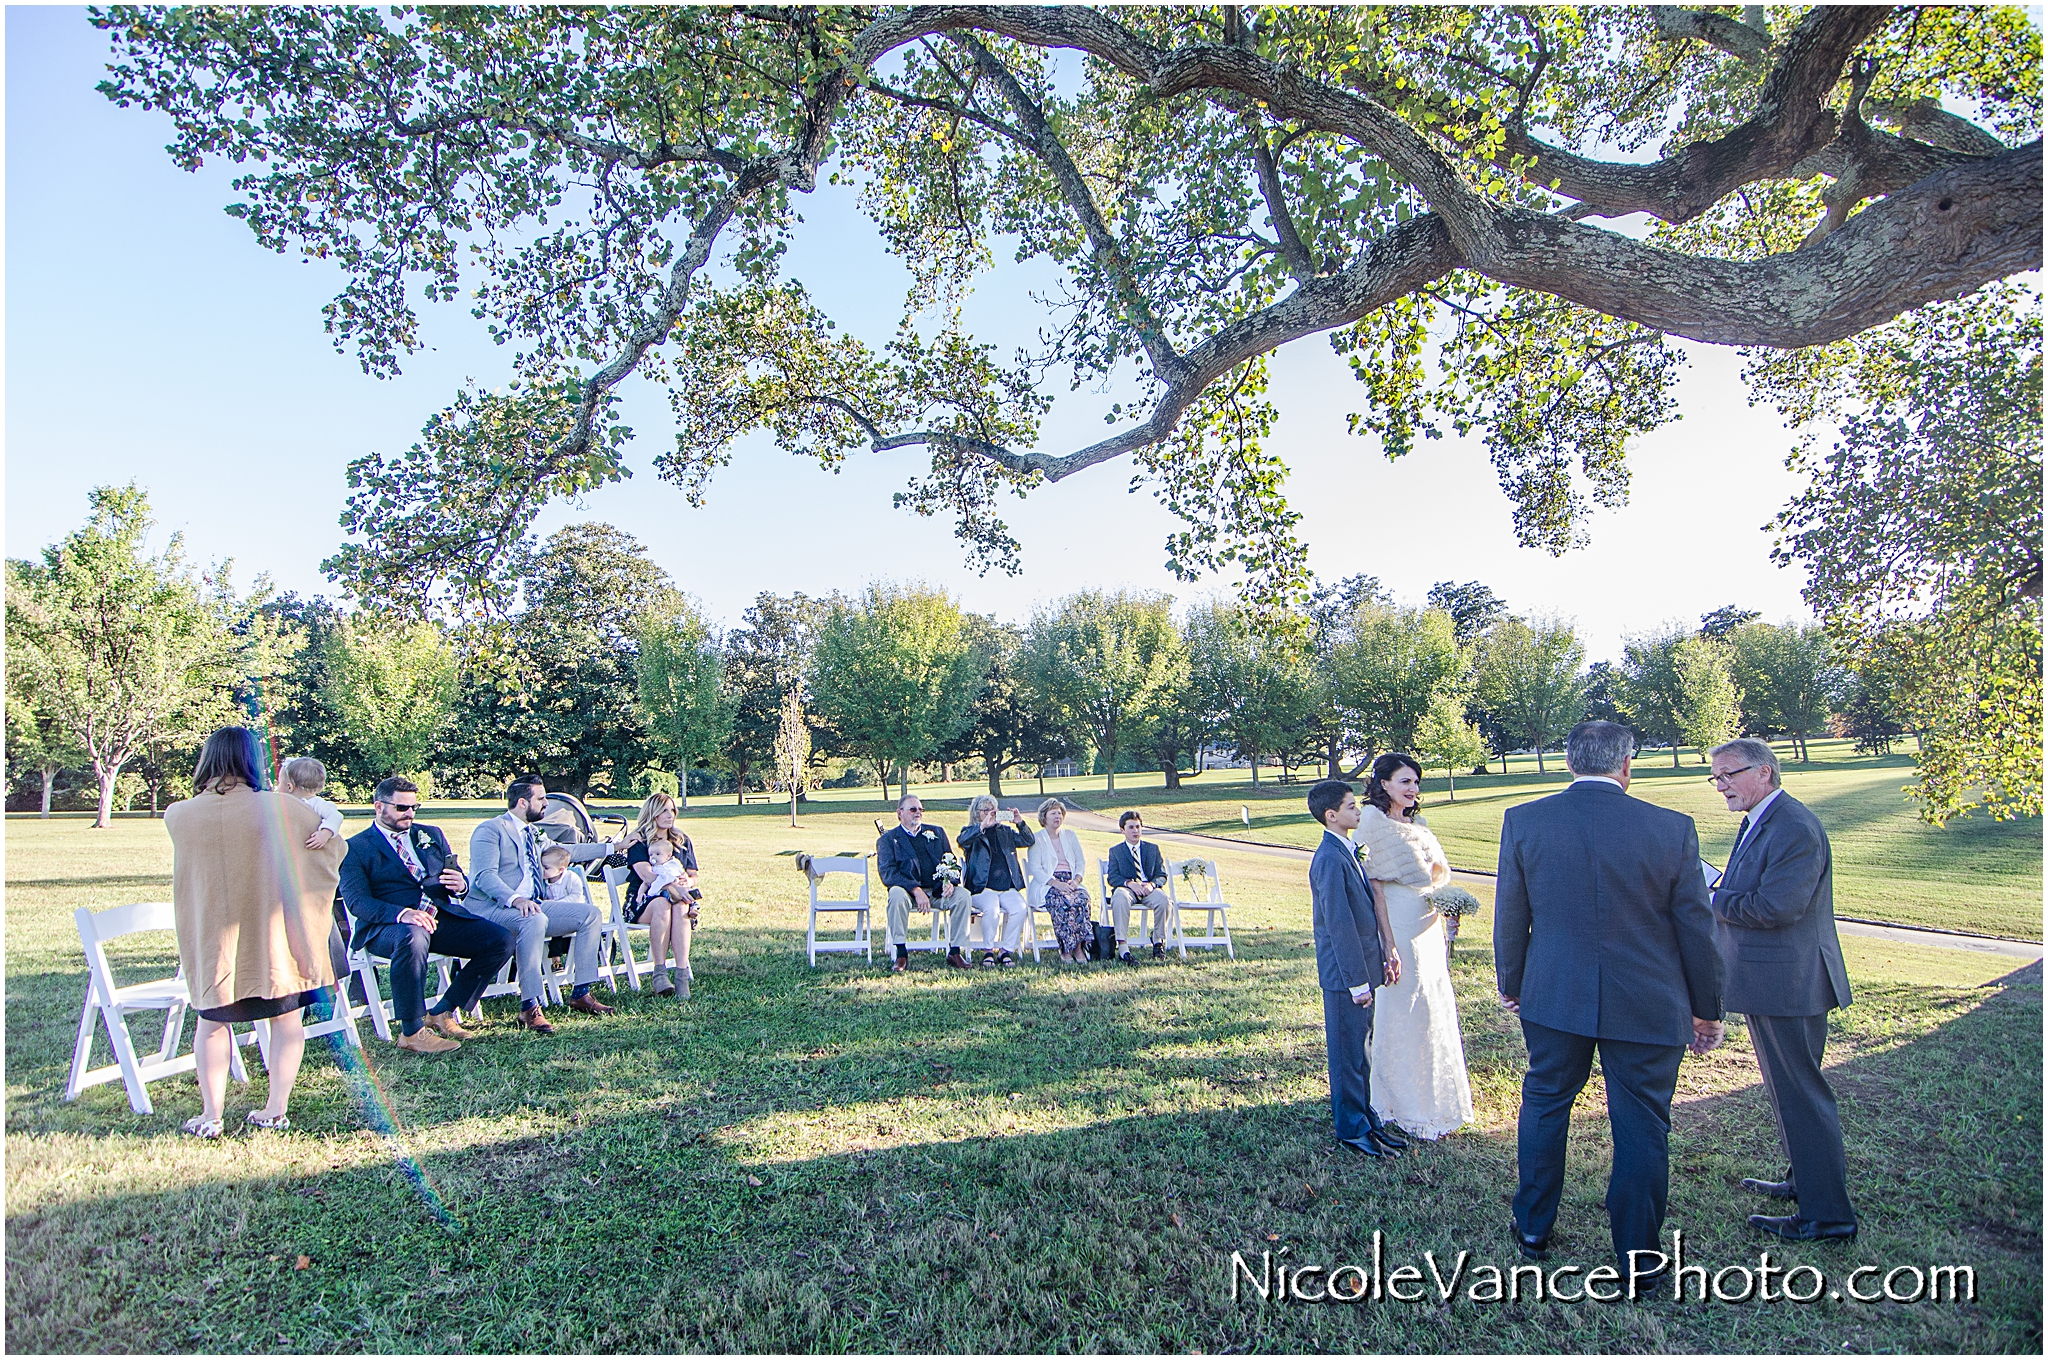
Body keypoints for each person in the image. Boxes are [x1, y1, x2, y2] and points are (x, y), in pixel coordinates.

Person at [1495, 720, 1725, 1284]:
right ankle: (1639, 1259)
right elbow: (1696, 928)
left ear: (1571, 763)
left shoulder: (1525, 821)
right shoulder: (1672, 828)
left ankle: (1533, 1226)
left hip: (1554, 993)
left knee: (1547, 1102)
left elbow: (1511, 913)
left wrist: (1514, 982)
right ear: (1626, 765)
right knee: (1642, 1123)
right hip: (1648, 997)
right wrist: (1708, 1007)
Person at [1708, 737, 1858, 1243]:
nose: (1721, 785)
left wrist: (1710, 896)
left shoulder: (1793, 827)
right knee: (1787, 1090)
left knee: (1801, 1094)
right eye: (1716, 777)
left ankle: (1828, 1217)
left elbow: (1777, 908)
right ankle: (1806, 1183)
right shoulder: (1762, 819)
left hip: (1790, 982)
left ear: (1766, 772)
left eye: (1730, 774)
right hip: (1769, 980)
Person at [165, 727, 349, 1138]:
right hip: (275, 942)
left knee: (212, 1023)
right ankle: (275, 1108)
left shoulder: (178, 815)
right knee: (285, 1020)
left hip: (215, 942)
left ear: (207, 761)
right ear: (256, 761)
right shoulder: (284, 808)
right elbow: (334, 848)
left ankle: (211, 1116)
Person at [339, 777, 511, 1055]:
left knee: (499, 939)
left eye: (414, 807)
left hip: (438, 916)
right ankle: (411, 1031)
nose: (409, 814)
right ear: (378, 807)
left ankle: (442, 1011)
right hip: (387, 927)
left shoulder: (431, 834)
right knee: (414, 936)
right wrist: (403, 913)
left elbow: (452, 877)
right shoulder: (356, 847)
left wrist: (461, 884)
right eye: (401, 808)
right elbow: (358, 902)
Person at [1356, 752, 1475, 1141]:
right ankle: (1397, 1099)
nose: (1413, 789)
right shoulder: (1372, 824)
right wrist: (1388, 944)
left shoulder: (1419, 825)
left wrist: (1450, 909)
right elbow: (1375, 888)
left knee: (1431, 1004)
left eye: (1416, 782)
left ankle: (1433, 1093)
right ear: (1384, 784)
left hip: (1428, 929)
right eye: (1405, 781)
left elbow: (1436, 879)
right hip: (1399, 927)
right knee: (1403, 1004)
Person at [462, 775, 617, 1032]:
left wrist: (612, 848)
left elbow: (566, 852)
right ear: (523, 802)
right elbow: (483, 876)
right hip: (492, 909)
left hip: (531, 906)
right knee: (534, 919)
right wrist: (516, 899)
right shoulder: (490, 830)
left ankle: (581, 993)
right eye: (541, 798)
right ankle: (529, 1006)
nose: (546, 803)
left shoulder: (534, 832)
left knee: (589, 914)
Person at [1307, 779, 1404, 1159]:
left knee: (1362, 1053)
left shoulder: (1346, 849)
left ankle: (1367, 1119)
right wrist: (1356, 981)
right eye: (1351, 806)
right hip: (1345, 977)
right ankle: (1351, 1128)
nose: (1358, 810)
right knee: (1348, 1056)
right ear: (1331, 816)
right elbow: (1339, 924)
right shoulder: (1329, 858)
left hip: (1362, 969)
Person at [877, 792, 973, 974]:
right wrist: (915, 889)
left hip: (937, 891)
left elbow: (950, 861)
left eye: (920, 809)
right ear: (900, 813)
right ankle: (901, 953)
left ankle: (955, 951)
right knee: (895, 895)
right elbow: (888, 873)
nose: (918, 813)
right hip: (907, 893)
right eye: (913, 809)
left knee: (963, 896)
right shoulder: (888, 840)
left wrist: (950, 881)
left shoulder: (936, 832)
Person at [624, 792, 702, 998]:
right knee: (662, 904)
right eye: (664, 811)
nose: (670, 815)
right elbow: (647, 876)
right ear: (653, 814)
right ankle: (659, 974)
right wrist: (672, 887)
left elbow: (693, 874)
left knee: (680, 905)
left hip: (678, 899)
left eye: (672, 810)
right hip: (643, 901)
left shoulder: (681, 840)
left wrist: (688, 882)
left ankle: (681, 975)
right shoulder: (638, 841)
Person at [959, 793, 1036, 968]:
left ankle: (1005, 950)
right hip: (981, 887)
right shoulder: (970, 832)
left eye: (992, 809)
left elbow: (1028, 840)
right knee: (992, 909)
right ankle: (988, 950)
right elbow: (962, 841)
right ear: (976, 813)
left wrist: (1020, 822)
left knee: (1020, 908)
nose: (989, 813)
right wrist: (982, 827)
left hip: (1007, 887)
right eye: (984, 810)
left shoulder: (1005, 832)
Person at [1025, 798, 1093, 963]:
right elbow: (1036, 868)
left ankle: (1078, 948)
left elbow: (1080, 862)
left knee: (1082, 899)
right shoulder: (1037, 839)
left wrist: (1076, 881)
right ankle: (1065, 950)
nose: (1058, 816)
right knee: (1062, 901)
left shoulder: (1070, 835)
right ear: (1044, 817)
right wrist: (1056, 883)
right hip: (1048, 883)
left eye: (1060, 813)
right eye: (1053, 813)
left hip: (1071, 881)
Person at [1106, 810, 1171, 963]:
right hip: (1128, 888)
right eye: (1131, 827)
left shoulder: (1152, 849)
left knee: (1164, 900)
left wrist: (1152, 884)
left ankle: (1158, 941)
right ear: (1122, 830)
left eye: (1138, 827)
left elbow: (1161, 875)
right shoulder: (1116, 851)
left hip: (1148, 888)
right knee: (1120, 897)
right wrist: (1129, 884)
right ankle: (1123, 948)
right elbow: (1112, 876)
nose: (1135, 831)